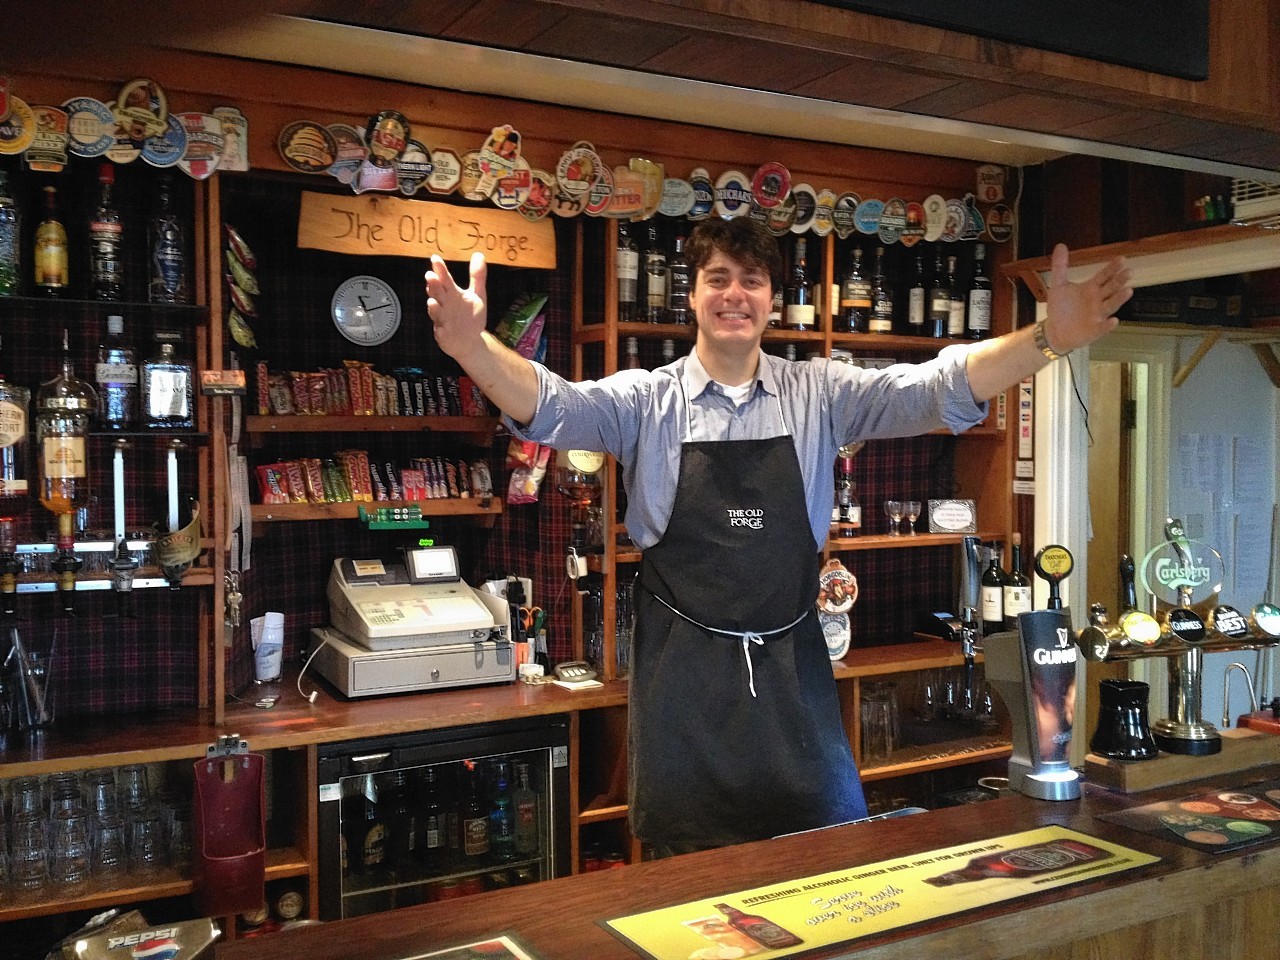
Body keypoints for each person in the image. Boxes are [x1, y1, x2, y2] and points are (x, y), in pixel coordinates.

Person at [426, 218, 1132, 854]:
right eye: (718, 280)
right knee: (693, 897)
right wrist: (472, 348)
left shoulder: (821, 392)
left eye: (752, 281)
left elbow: (933, 389)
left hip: (793, 675)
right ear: (692, 296)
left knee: (823, 866)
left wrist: (1046, 340)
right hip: (684, 685)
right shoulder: (646, 400)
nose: (735, 295)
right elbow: (552, 406)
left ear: (772, 298)